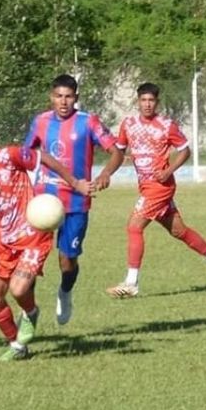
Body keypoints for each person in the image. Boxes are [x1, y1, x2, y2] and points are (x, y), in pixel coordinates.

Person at [0, 120, 93, 361]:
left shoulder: (8, 156)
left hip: (32, 235)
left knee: (18, 289)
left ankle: (31, 311)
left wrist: (75, 182)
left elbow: (43, 157)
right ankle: (18, 346)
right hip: (4, 241)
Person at [106, 82, 206, 299]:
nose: (147, 104)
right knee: (179, 231)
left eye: (151, 100)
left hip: (160, 187)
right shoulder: (128, 124)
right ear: (138, 101)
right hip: (146, 185)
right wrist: (107, 172)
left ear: (157, 102)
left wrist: (169, 170)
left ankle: (132, 282)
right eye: (143, 100)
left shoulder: (166, 125)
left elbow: (185, 151)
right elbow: (119, 151)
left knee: (134, 227)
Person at [24, 74, 124, 325]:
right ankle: (27, 307)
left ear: (76, 98)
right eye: (58, 96)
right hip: (43, 200)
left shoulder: (88, 122)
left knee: (67, 261)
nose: (63, 101)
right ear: (51, 97)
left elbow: (116, 152)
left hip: (77, 202)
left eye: (68, 96)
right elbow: (27, 154)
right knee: (31, 258)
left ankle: (65, 292)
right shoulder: (41, 122)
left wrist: (105, 173)